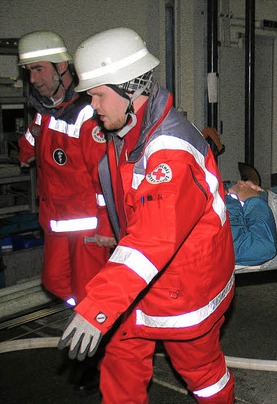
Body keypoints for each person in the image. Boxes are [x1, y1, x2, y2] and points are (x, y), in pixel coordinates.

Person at [56, 27, 235, 403]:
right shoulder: (125, 132)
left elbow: (153, 238)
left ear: (130, 88)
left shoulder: (169, 151)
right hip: (141, 283)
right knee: (120, 365)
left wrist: (97, 308)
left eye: (99, 94)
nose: (93, 105)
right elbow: (123, 203)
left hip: (183, 290)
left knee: (203, 378)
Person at [17, 31, 115, 393]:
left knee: (90, 297)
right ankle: (99, 335)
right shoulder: (45, 114)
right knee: (60, 286)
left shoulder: (89, 117)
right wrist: (26, 148)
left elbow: (104, 182)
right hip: (57, 225)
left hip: (89, 230)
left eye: (39, 69)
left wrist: (107, 231)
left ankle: (97, 359)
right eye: (29, 71)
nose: (33, 79)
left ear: (62, 67)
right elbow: (28, 146)